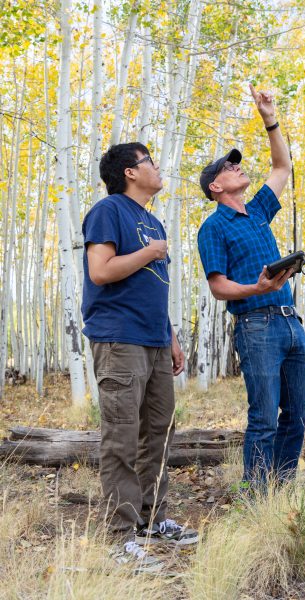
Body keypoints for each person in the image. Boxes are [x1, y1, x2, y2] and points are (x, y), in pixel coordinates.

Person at [82, 142, 198, 571]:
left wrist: (170, 336)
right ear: (131, 172)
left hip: (152, 341)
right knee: (122, 437)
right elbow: (101, 271)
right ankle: (120, 538)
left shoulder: (151, 219)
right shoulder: (108, 210)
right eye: (150, 161)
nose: (157, 167)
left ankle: (153, 519)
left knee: (159, 434)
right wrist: (151, 251)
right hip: (119, 340)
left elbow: (151, 289)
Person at [197, 85, 305, 487]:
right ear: (215, 187)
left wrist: (270, 119)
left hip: (290, 321)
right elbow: (219, 287)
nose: (237, 168)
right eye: (228, 168)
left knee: (301, 414)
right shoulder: (213, 226)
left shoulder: (259, 210)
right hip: (256, 326)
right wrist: (258, 289)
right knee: (263, 419)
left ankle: (280, 491)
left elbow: (282, 168)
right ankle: (257, 499)